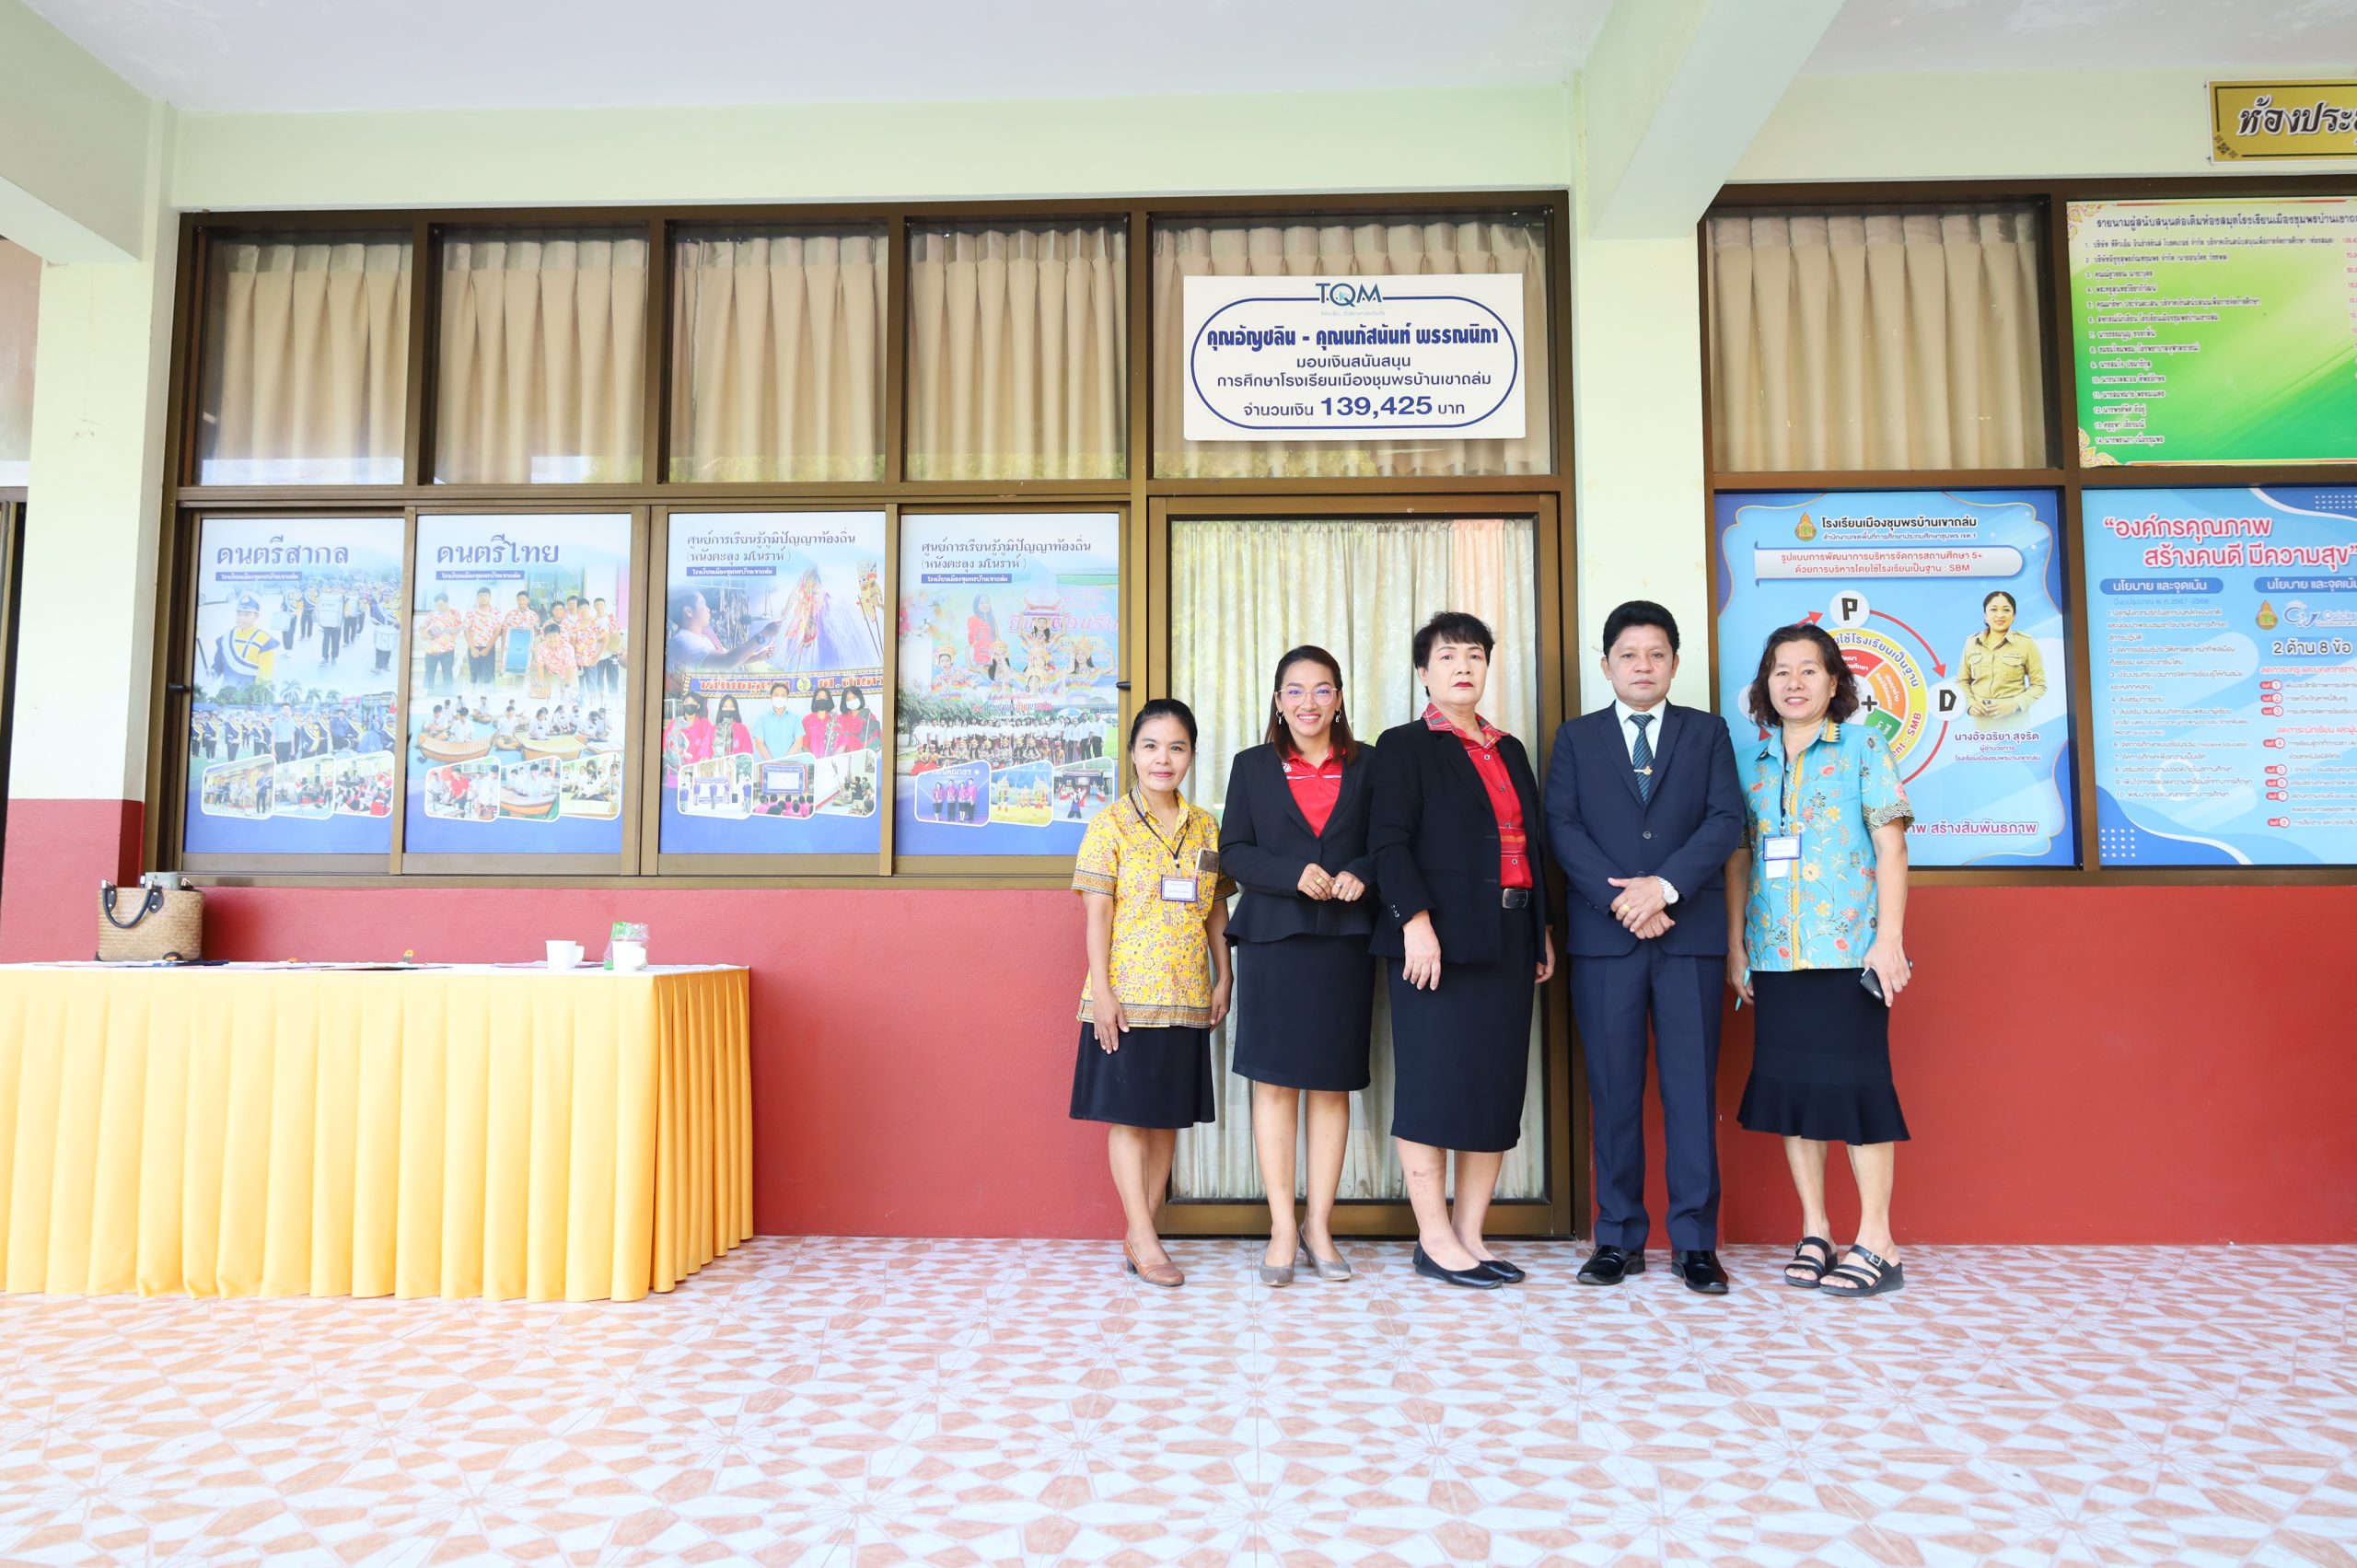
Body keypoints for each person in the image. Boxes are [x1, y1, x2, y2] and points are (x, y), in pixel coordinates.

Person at [1545, 601, 1747, 1295]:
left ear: (1675, 663)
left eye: (1656, 654)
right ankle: (1618, 1237)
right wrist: (1624, 902)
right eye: (1628, 654)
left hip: (1688, 939)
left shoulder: (1707, 732)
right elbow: (1562, 826)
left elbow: (1725, 818)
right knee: (1613, 1092)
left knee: (1691, 1090)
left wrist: (1662, 889)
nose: (1642, 666)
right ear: (1606, 665)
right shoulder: (1576, 738)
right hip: (1607, 941)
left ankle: (1695, 1242)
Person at [1724, 622, 1916, 1299]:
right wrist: (1737, 946)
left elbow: (1891, 847)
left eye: (1809, 669)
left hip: (1849, 951)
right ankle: (1816, 1229)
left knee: (1858, 1090)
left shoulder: (1864, 746)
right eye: (1781, 670)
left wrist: (1888, 939)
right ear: (1765, 684)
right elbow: (1740, 858)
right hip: (1776, 956)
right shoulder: (1749, 761)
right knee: (1795, 1093)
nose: (1794, 682)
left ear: (1834, 681)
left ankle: (1879, 1240)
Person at [1368, 612, 1556, 1289]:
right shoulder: (1404, 745)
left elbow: (1530, 846)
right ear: (1424, 672)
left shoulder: (1510, 749)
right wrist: (1414, 922)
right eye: (1447, 656)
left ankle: (1472, 1234)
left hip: (1509, 936)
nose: (1462, 667)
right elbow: (1387, 842)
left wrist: (1541, 930)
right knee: (1433, 1086)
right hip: (1436, 944)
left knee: (1493, 1089)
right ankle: (1434, 1237)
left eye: (1474, 655)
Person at [1218, 646, 1376, 1287]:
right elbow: (1233, 850)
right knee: (1275, 1084)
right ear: (1278, 701)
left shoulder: (1370, 764)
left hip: (1345, 942)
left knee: (1332, 1085)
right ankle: (1283, 1227)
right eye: (1295, 690)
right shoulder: (1251, 766)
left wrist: (1361, 873)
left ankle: (1320, 1226)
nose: (1308, 702)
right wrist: (1291, 874)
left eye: (1322, 689)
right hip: (1273, 941)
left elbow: (1390, 842)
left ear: (1339, 698)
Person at [1070, 698, 1234, 1289]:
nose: (1163, 759)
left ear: (1191, 755)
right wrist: (1103, 993)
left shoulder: (1205, 826)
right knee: (1130, 1119)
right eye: (1151, 746)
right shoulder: (1109, 824)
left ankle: (1145, 1232)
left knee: (1167, 1119)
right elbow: (1097, 917)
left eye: (1176, 747)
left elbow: (1215, 907)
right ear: (1133, 753)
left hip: (1187, 994)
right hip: (1128, 997)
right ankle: (1142, 1236)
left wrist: (1224, 974)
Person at [1957, 589, 2047, 731]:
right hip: (1982, 725)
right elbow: (1962, 681)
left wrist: (2014, 704)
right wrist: (1970, 704)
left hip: (2016, 724)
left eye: (2006, 610)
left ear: (2013, 616)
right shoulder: (1971, 643)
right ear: (1985, 616)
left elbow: (2039, 686)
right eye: (1993, 610)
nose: (2000, 615)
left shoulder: (2026, 643)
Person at [418, 592, 462, 693]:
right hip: (431, 649)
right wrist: (423, 633)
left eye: (441, 605)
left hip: (447, 649)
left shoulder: (454, 613)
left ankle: (447, 692)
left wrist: (452, 630)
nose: (438, 607)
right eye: (437, 605)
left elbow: (458, 628)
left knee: (447, 672)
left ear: (447, 603)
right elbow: (422, 627)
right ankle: (428, 691)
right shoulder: (431, 614)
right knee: (429, 672)